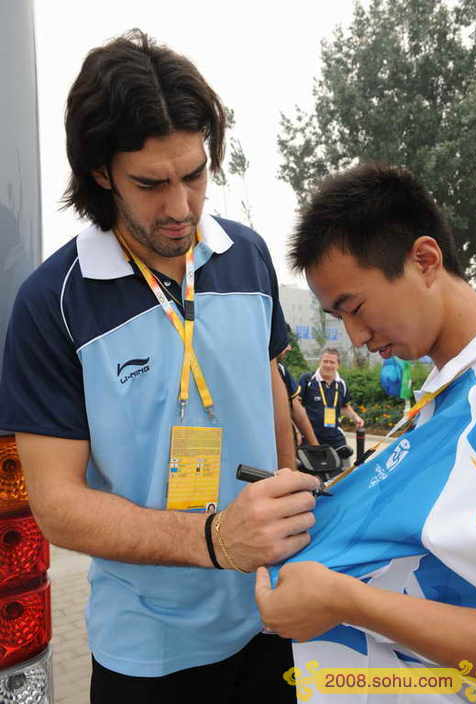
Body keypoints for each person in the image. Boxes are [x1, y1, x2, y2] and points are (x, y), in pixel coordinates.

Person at [0, 30, 320, 704]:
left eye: (194, 174)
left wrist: (289, 500)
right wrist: (213, 538)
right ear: (99, 173)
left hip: (271, 617)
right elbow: (57, 509)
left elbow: (265, 388)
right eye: (150, 183)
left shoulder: (250, 257)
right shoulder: (50, 304)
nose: (180, 208)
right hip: (148, 650)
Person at [256, 163, 476, 703]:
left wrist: (346, 602)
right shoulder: (445, 395)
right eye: (337, 317)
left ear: (425, 261)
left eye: (356, 307)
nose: (357, 337)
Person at [299, 347, 364, 452]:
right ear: (320, 362)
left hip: (335, 437)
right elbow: (296, 406)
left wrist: (356, 417)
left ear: (338, 365)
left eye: (332, 362)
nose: (328, 365)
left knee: (344, 465)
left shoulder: (342, 384)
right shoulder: (307, 380)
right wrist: (298, 432)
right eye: (325, 361)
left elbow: (344, 407)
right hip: (310, 436)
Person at [277, 338, 319, 447]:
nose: (289, 348)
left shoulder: (281, 370)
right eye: (285, 342)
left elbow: (296, 408)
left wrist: (315, 447)